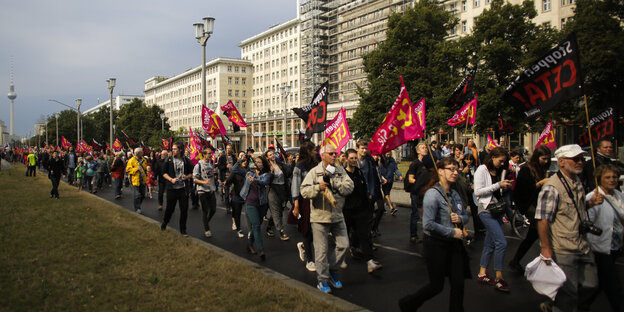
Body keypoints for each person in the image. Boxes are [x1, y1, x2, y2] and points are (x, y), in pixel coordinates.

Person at [535, 144, 603, 312]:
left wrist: (590, 203)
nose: (580, 162)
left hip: (582, 244)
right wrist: (545, 248)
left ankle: (553, 305)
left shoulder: (576, 180)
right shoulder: (552, 187)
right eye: (575, 159)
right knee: (569, 293)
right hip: (563, 247)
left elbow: (574, 208)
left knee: (592, 284)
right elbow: (542, 219)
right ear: (562, 162)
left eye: (581, 158)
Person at [399, 157, 470, 312]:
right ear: (440, 171)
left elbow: (465, 215)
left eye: (456, 169)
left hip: (454, 245)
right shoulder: (433, 194)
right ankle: (408, 303)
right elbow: (428, 224)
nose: (455, 172)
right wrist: (452, 232)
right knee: (436, 286)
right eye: (451, 169)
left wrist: (460, 218)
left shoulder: (454, 194)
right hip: (436, 244)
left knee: (458, 284)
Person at [301, 144, 354, 294]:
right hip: (319, 217)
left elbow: (349, 186)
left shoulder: (339, 170)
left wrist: (334, 183)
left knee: (344, 245)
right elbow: (304, 191)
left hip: (337, 215)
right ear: (322, 155)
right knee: (321, 251)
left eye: (335, 153)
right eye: (331, 153)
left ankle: (332, 270)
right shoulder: (314, 172)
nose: (334, 156)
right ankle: (322, 280)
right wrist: (318, 188)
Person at [585, 164, 624, 312]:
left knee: (601, 282)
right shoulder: (593, 197)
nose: (612, 180)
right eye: (607, 177)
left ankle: (579, 304)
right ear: (599, 179)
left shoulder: (619, 196)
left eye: (614, 176)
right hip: (600, 247)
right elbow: (587, 223)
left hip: (616, 246)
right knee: (614, 285)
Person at [508, 146, 551, 274]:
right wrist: (539, 183)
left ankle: (516, 260)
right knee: (540, 232)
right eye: (544, 159)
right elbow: (522, 189)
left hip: (540, 204)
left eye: (548, 159)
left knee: (532, 236)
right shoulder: (526, 169)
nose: (546, 162)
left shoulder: (543, 169)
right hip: (530, 205)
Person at [475, 147, 512, 292]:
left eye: (504, 162)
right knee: (501, 242)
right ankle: (499, 277)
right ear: (492, 157)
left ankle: (482, 273)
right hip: (486, 210)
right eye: (500, 161)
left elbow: (497, 191)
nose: (502, 164)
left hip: (497, 210)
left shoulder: (498, 172)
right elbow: (477, 191)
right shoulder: (481, 170)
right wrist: (498, 185)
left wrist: (504, 186)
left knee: (489, 244)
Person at [344, 148, 382, 273]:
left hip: (360, 210)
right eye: (351, 158)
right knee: (344, 237)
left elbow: (364, 189)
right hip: (347, 211)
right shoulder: (343, 174)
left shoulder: (359, 172)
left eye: (355, 158)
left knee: (364, 235)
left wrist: (367, 205)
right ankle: (341, 259)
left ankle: (370, 262)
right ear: (346, 159)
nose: (354, 160)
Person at [289, 141, 318, 272]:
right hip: (304, 201)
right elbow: (295, 186)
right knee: (306, 229)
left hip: (316, 199)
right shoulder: (299, 167)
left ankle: (304, 246)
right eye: (314, 150)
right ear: (308, 151)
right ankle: (310, 260)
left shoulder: (317, 164)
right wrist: (296, 205)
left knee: (317, 229)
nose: (316, 152)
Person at [240, 155, 271, 261]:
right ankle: (261, 250)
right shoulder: (249, 172)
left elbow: (264, 182)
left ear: (263, 164)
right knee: (256, 225)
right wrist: (241, 159)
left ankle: (249, 244)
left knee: (256, 225)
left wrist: (255, 181)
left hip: (262, 203)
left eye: (259, 162)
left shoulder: (266, 174)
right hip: (250, 202)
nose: (256, 164)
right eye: (255, 162)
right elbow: (235, 168)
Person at [161, 142, 194, 236]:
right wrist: (171, 179)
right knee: (170, 209)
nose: (173, 150)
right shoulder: (169, 160)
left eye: (175, 149)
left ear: (180, 150)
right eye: (172, 149)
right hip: (172, 189)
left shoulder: (186, 160)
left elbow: (193, 173)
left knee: (184, 209)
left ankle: (183, 229)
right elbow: (163, 173)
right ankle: (165, 223)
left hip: (183, 189)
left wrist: (187, 177)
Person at [405, 143, 431, 243]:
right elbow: (411, 179)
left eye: (426, 147)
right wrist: (420, 183)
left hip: (426, 193)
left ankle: (427, 235)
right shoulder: (415, 163)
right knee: (415, 214)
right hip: (416, 192)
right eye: (423, 148)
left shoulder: (427, 163)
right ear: (418, 151)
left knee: (427, 214)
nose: (425, 149)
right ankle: (413, 235)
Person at [265, 149, 290, 241]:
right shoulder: (267, 167)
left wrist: (286, 161)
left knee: (280, 210)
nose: (272, 155)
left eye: (273, 154)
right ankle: (281, 231)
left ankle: (269, 226)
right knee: (276, 212)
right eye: (270, 155)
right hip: (273, 191)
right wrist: (271, 172)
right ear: (267, 157)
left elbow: (288, 172)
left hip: (282, 190)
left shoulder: (280, 164)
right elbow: (267, 181)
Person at [194, 147, 217, 238]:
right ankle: (207, 229)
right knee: (205, 210)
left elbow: (211, 176)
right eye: (208, 153)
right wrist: (204, 182)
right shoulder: (198, 165)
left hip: (211, 190)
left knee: (213, 209)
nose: (210, 155)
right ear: (204, 155)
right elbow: (195, 179)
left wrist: (215, 174)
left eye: (211, 153)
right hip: (202, 190)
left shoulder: (211, 164)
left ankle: (206, 221)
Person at [227, 152, 249, 238]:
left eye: (245, 158)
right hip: (236, 195)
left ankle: (251, 230)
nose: (244, 160)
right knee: (237, 213)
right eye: (241, 157)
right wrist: (225, 184)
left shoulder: (248, 170)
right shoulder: (235, 171)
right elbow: (228, 180)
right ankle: (238, 229)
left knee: (249, 214)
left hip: (246, 196)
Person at [126, 148, 148, 214]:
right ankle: (137, 208)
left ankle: (138, 204)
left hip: (143, 180)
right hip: (135, 180)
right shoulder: (131, 160)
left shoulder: (144, 160)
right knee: (137, 195)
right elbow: (128, 170)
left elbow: (145, 169)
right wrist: (136, 169)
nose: (143, 153)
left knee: (143, 195)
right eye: (141, 152)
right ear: (138, 153)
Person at [380, 150, 403, 215]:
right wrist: (381, 177)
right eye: (387, 153)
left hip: (390, 179)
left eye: (389, 152)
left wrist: (399, 175)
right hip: (384, 180)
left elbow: (395, 169)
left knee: (386, 194)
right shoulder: (381, 160)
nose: (388, 154)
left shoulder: (392, 160)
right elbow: (378, 170)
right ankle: (391, 208)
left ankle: (381, 208)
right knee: (387, 194)